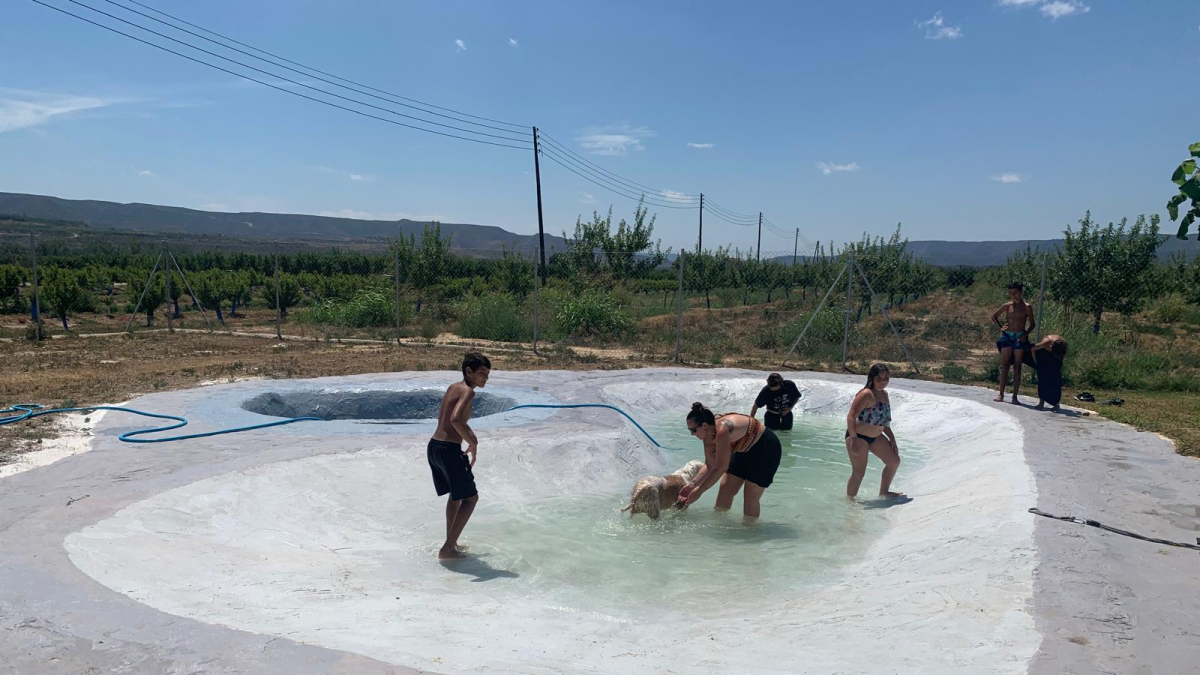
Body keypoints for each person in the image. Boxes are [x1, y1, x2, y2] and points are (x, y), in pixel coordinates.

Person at [428, 352, 491, 560]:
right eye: (481, 373)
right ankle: (447, 549)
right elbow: (456, 419)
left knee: (455, 496)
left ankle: (451, 543)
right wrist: (472, 441)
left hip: (435, 447)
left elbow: (449, 420)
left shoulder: (453, 387)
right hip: (448, 451)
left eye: (488, 374)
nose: (485, 378)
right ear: (468, 371)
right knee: (471, 499)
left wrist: (470, 436)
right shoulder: (468, 392)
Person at [676, 403, 782, 519]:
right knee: (725, 488)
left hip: (766, 448)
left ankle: (750, 532)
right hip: (742, 449)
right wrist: (692, 485)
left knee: (750, 496)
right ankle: (719, 523)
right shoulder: (707, 435)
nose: (692, 434)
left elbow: (721, 468)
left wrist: (700, 491)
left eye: (694, 430)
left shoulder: (723, 429)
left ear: (705, 426)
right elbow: (710, 465)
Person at [844, 364, 903, 501]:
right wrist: (853, 439)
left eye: (886, 378)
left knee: (894, 461)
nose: (883, 381)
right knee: (859, 473)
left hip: (876, 437)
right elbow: (851, 417)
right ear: (872, 378)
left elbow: (884, 421)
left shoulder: (884, 394)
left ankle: (884, 492)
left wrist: (892, 439)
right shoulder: (866, 394)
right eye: (879, 378)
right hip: (859, 437)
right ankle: (850, 502)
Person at [991, 282, 1035, 404]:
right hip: (1007, 336)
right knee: (1005, 365)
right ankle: (1001, 394)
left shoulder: (1027, 307)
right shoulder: (1007, 306)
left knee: (1017, 367)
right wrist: (1001, 327)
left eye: (1015, 293)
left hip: (1019, 337)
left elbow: (1032, 324)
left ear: (1021, 292)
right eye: (1010, 293)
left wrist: (1025, 335)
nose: (1013, 296)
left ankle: (1014, 397)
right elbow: (994, 316)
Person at [1024, 334, 1067, 411]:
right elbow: (1033, 349)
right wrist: (1036, 362)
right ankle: (1041, 402)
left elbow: (1062, 355)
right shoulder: (1047, 342)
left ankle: (1056, 403)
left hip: (1055, 357)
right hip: (1043, 356)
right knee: (1042, 379)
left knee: (1056, 379)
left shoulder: (1063, 345)